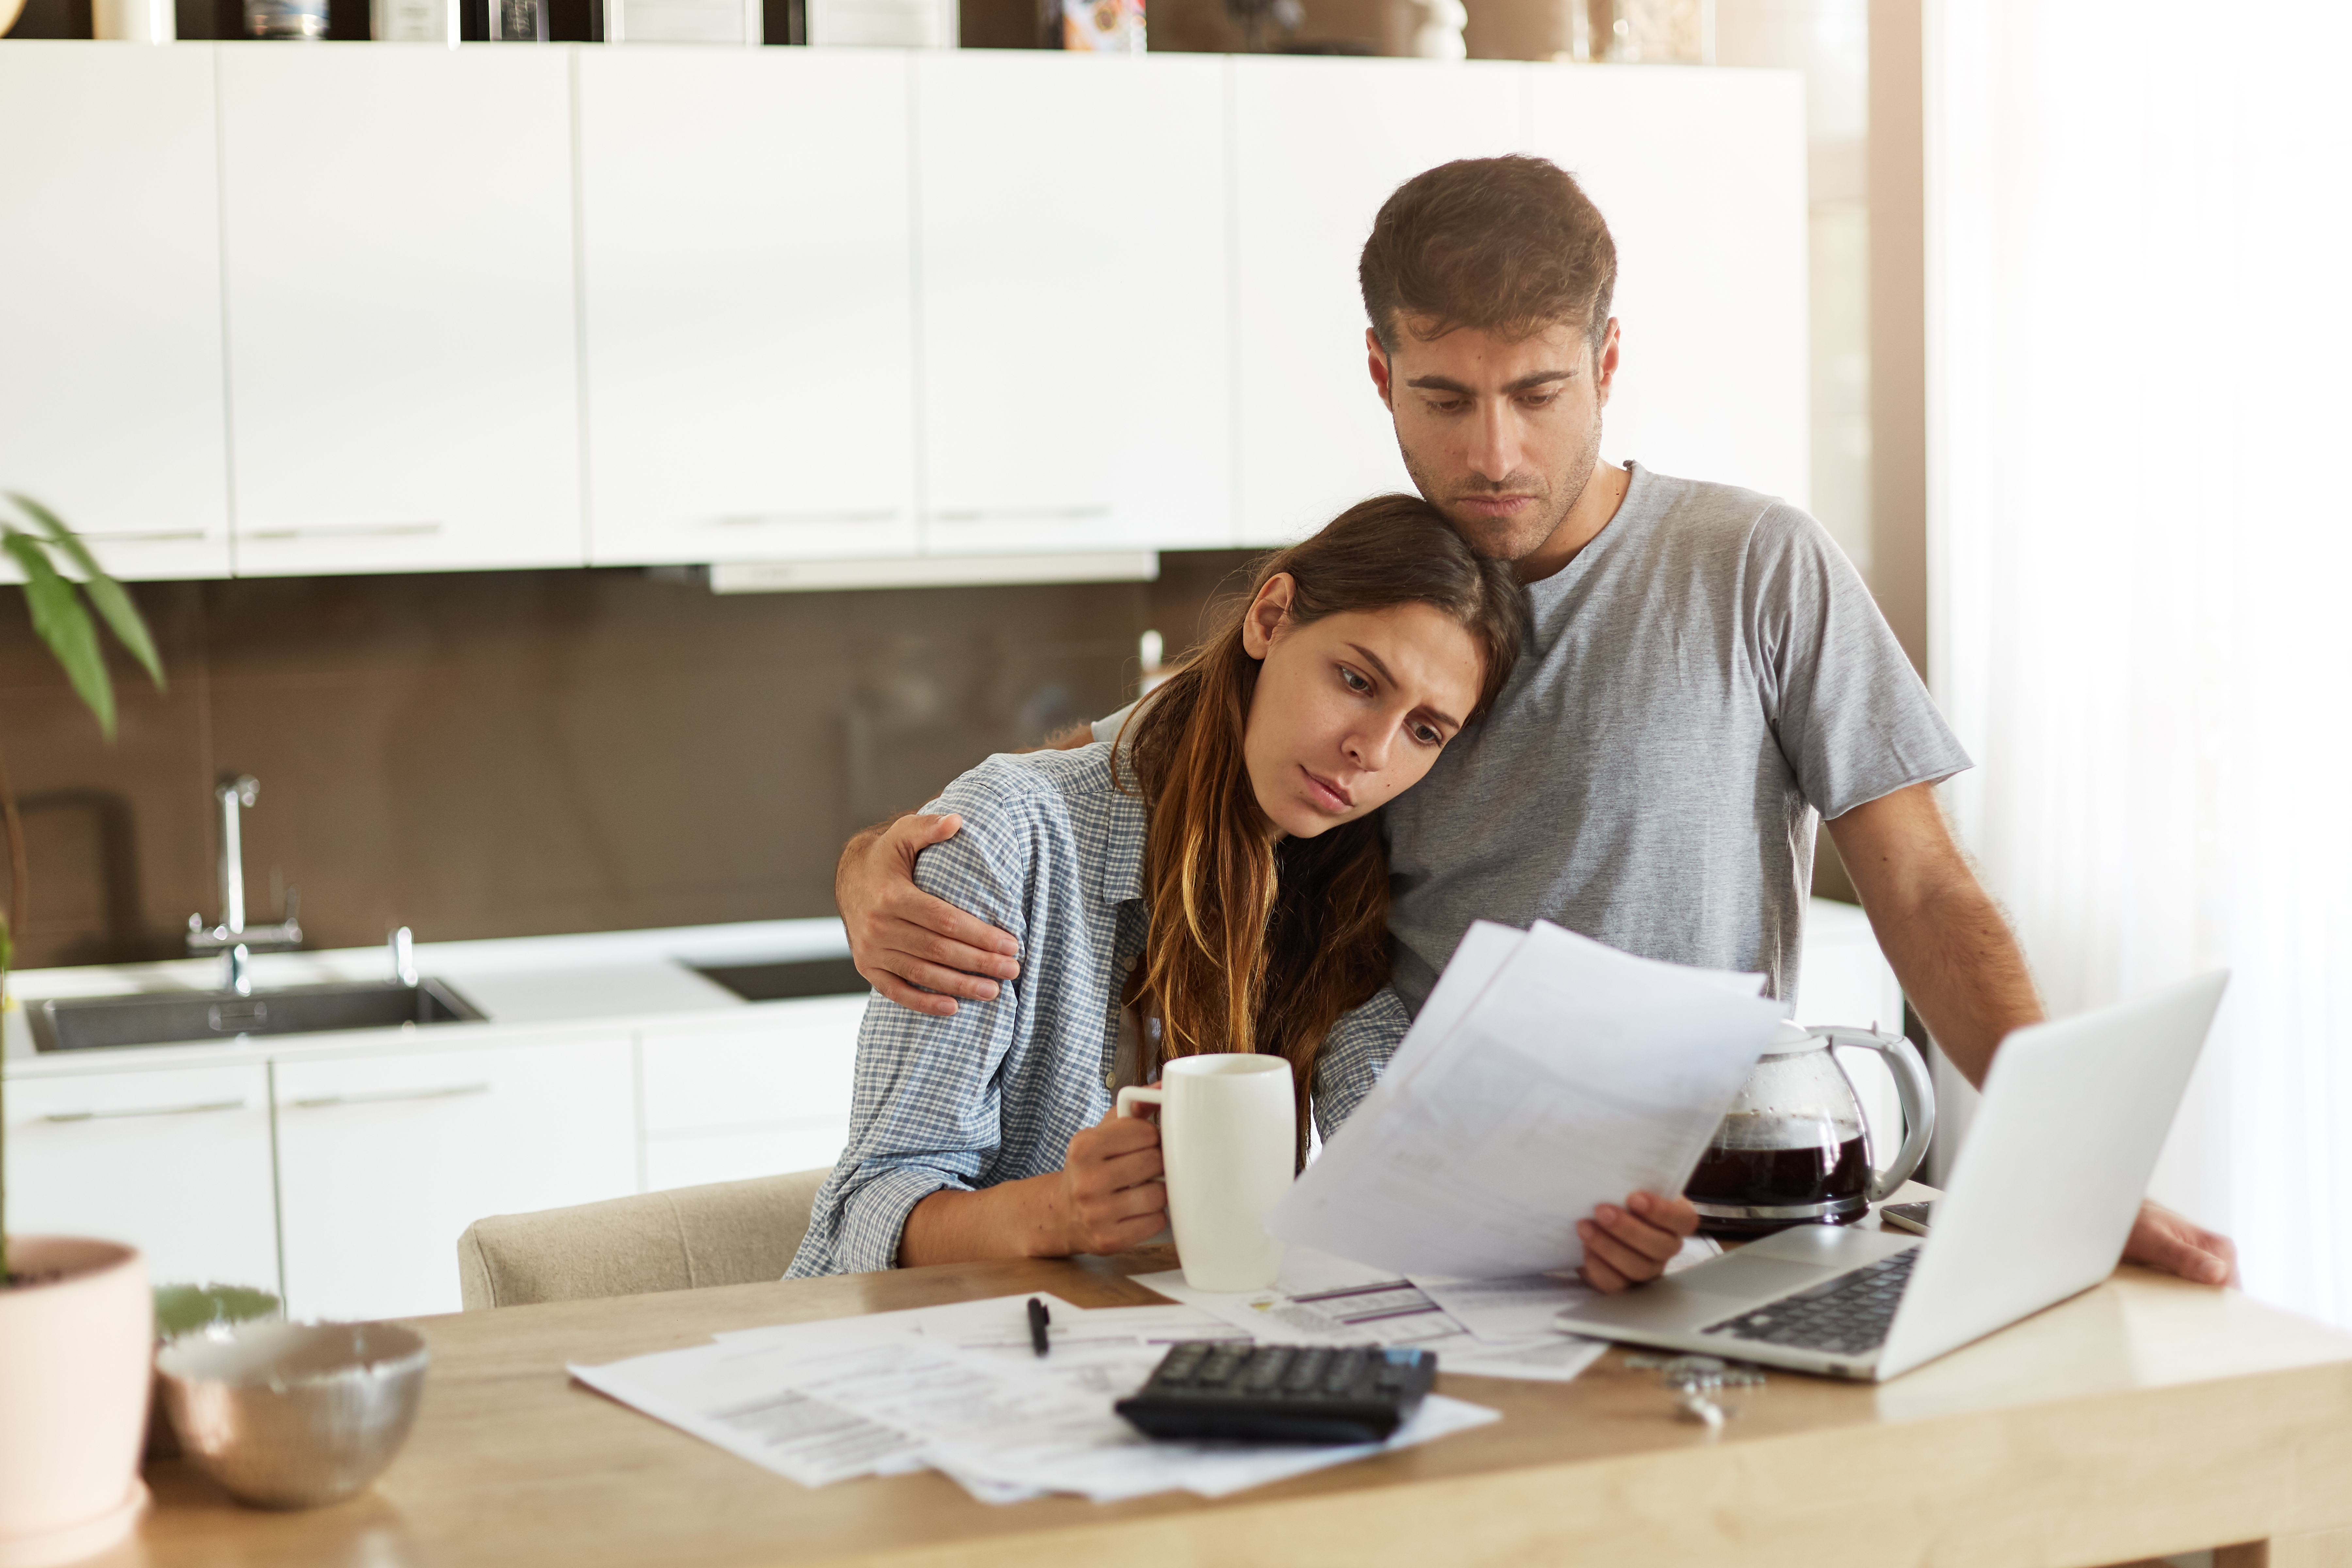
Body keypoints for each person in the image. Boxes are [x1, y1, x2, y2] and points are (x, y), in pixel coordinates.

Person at [830, 155, 2240, 1293]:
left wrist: (2075, 1174)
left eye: (1538, 395)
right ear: (1381, 373)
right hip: (1457, 1241)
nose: (1494, 454)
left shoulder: (1757, 565)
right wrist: (879, 864)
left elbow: (1924, 884)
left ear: (1608, 361)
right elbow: (1128, 770)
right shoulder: (1360, 616)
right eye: (1445, 399)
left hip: (1722, 1212)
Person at [788, 496, 1527, 1277]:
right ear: (1270, 620)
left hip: (1142, 1357)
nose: (1371, 752)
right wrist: (1061, 1212)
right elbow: (865, 1214)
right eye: (1356, 680)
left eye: (1424, 731)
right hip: (930, 1358)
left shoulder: (1337, 889)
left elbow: (1396, 1159)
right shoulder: (1011, 837)